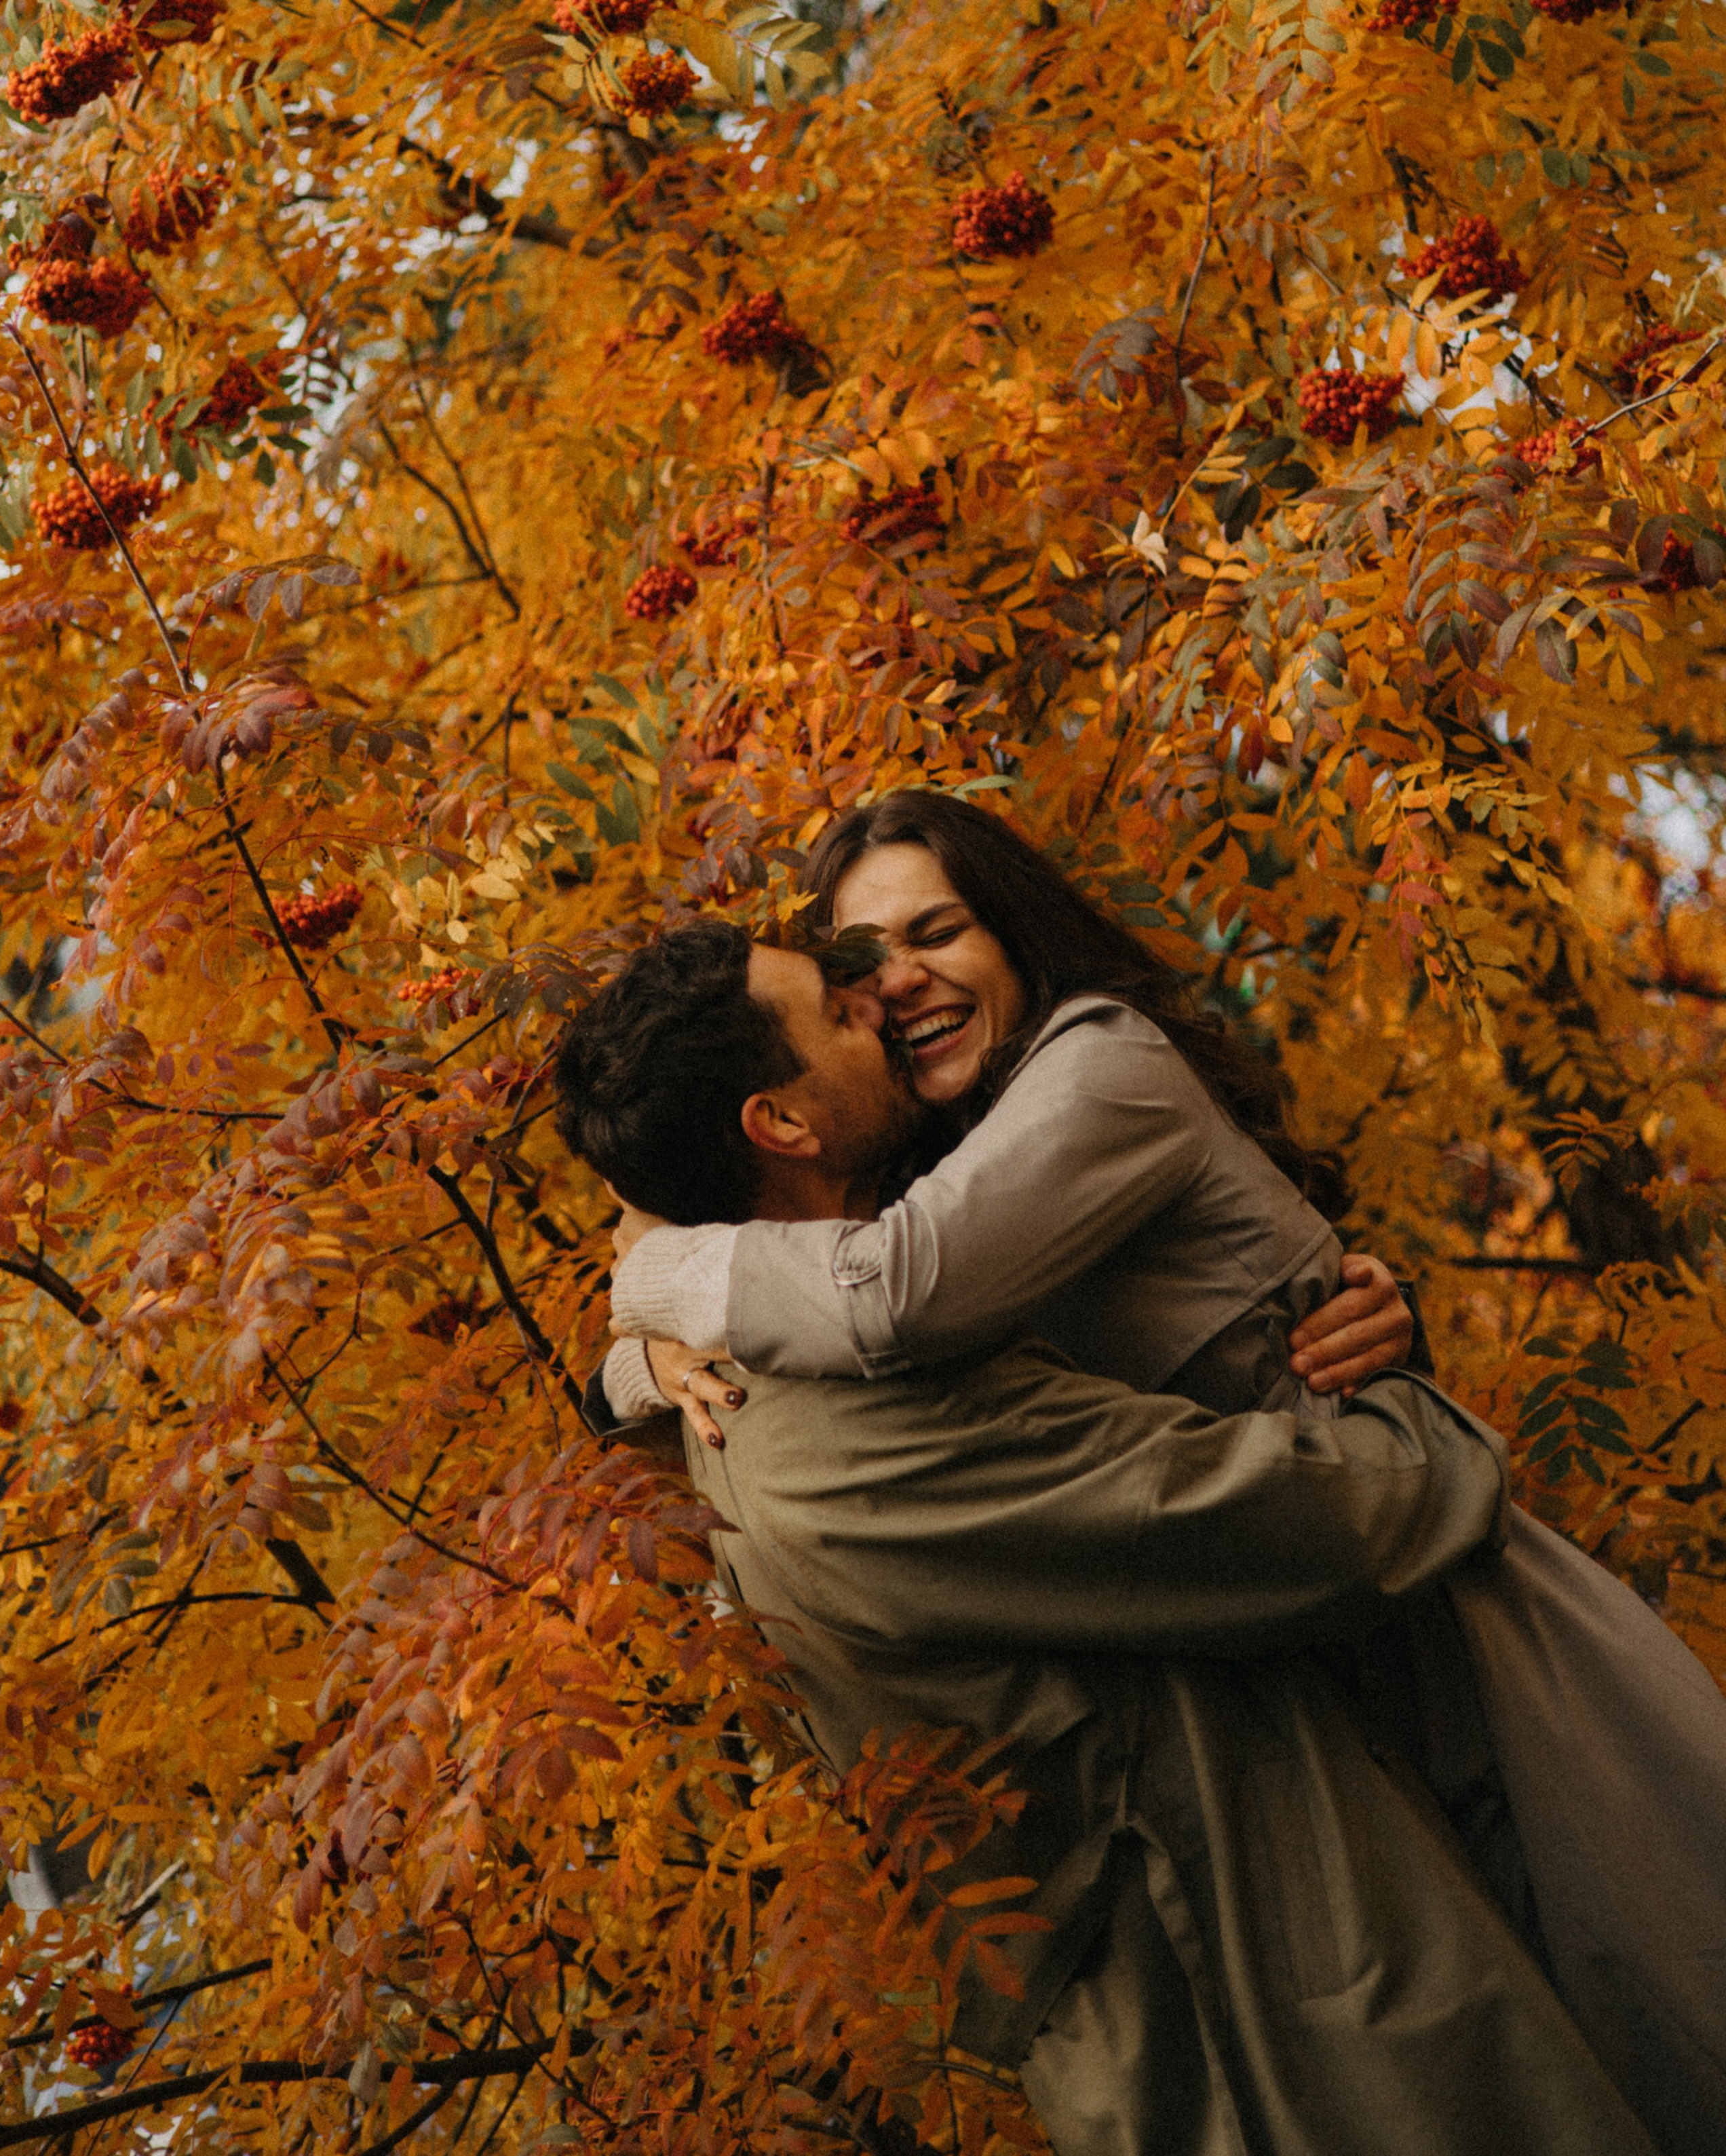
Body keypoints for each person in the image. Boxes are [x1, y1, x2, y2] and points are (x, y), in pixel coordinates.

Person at [604, 793, 1726, 2156]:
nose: (891, 984)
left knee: (1656, 2024)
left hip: (1441, 1619)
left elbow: (895, 1294)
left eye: (933, 929)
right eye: (852, 965)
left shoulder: (1093, 1068)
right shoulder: (919, 1169)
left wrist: (654, 1273)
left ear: (1013, 931)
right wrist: (636, 1354)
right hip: (1290, 1637)